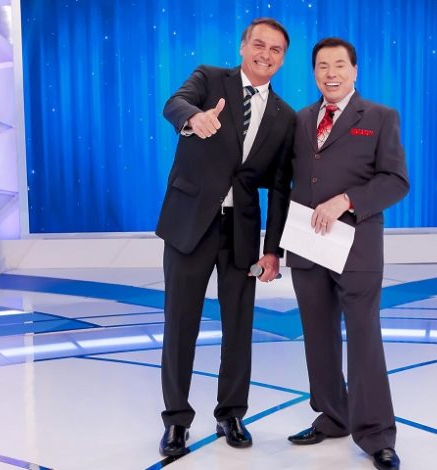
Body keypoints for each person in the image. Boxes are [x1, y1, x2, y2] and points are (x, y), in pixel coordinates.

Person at [156, 17, 295, 456]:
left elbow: (280, 189)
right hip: (190, 222)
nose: (265, 54)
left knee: (239, 327)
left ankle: (231, 414)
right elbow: (174, 103)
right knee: (181, 324)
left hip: (241, 231)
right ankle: (176, 420)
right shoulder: (209, 78)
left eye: (275, 49)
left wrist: (272, 250)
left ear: (282, 59)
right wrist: (194, 118)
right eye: (259, 44)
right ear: (243, 47)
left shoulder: (285, 116)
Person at [285, 37, 409, 470]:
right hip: (307, 244)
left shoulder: (379, 117)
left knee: (363, 337)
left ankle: (377, 435)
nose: (331, 73)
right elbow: (288, 181)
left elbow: (396, 180)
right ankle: (333, 416)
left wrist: (348, 200)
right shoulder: (301, 119)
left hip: (356, 246)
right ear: (314, 73)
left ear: (355, 71)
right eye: (322, 66)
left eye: (340, 65)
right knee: (317, 335)